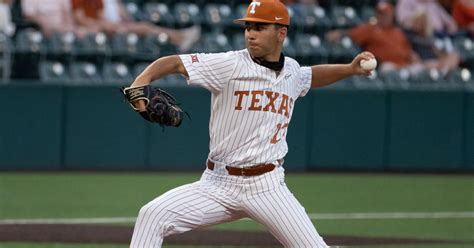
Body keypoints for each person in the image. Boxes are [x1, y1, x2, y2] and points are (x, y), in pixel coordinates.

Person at [124, 1, 374, 247]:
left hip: (267, 187)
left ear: (281, 33)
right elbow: (175, 63)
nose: (251, 34)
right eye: (248, 27)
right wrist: (140, 81)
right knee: (152, 215)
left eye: (259, 28)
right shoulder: (229, 64)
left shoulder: (292, 71)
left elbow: (310, 76)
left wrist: (350, 69)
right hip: (217, 184)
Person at [326, 2, 424, 74]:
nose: (383, 17)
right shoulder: (370, 29)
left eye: (385, 14)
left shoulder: (398, 32)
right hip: (387, 67)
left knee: (420, 69)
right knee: (388, 69)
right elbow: (352, 34)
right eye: (380, 14)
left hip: (405, 66)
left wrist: (413, 57)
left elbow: (408, 50)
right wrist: (339, 33)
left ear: (391, 16)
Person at [71, 0, 200, 52]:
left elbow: (100, 14)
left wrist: (110, 23)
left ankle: (179, 37)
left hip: (110, 27)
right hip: (95, 30)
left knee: (145, 27)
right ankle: (179, 37)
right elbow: (79, 18)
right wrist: (102, 25)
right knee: (144, 27)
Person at [21, 0, 98, 38]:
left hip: (62, 29)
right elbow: (29, 15)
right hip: (41, 30)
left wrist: (71, 28)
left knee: (83, 33)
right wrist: (43, 24)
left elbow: (67, 14)